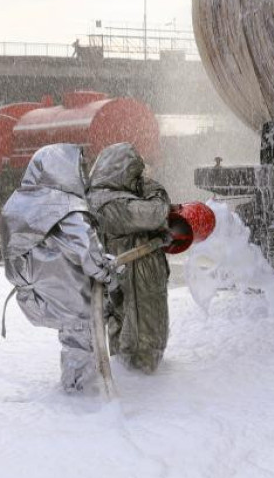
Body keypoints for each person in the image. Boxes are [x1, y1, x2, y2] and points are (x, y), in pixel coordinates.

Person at [0, 143, 114, 393]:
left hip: (32, 294)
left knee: (72, 337)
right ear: (63, 170)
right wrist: (107, 272)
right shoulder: (66, 207)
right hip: (71, 296)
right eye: (80, 168)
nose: (84, 174)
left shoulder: (16, 204)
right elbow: (88, 252)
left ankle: (77, 388)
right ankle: (79, 394)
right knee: (81, 341)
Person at [88, 142, 172, 374]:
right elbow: (156, 214)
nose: (139, 179)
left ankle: (133, 370)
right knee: (141, 339)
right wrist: (154, 189)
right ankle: (142, 378)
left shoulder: (103, 198)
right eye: (136, 174)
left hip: (127, 284)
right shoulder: (112, 203)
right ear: (124, 171)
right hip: (137, 291)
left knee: (123, 320)